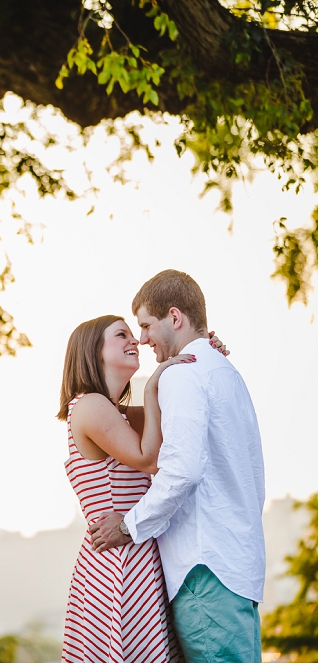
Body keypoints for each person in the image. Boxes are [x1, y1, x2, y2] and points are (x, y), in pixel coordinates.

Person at [89, 270, 266, 663]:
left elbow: (181, 470)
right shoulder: (224, 372)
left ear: (175, 317)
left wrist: (127, 525)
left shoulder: (182, 373)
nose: (143, 338)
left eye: (147, 325)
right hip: (236, 565)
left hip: (204, 568)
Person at [57, 314, 195, 662]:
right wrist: (151, 385)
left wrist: (203, 349)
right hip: (120, 562)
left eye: (135, 335)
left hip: (133, 548)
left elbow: (170, 411)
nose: (134, 341)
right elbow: (148, 459)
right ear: (93, 351)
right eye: (122, 335)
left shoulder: (114, 412)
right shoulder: (89, 405)